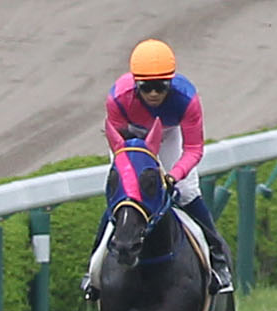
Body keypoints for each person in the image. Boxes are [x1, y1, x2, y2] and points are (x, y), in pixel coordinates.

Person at [93, 38, 230, 294]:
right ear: (136, 84)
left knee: (188, 193)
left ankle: (218, 256)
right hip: (130, 140)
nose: (154, 94)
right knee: (125, 198)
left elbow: (193, 149)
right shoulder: (118, 99)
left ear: (171, 82)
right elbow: (118, 143)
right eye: (146, 87)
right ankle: (94, 270)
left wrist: (173, 176)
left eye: (161, 86)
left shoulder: (187, 99)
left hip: (168, 134)